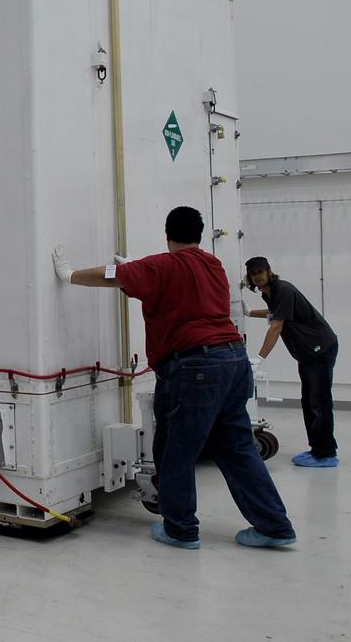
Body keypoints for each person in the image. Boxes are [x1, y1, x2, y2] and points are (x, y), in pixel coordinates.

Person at [52, 207, 295, 550]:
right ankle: (275, 526)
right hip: (232, 360)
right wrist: (139, 269)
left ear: (168, 235)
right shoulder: (212, 264)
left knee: (176, 451)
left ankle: (181, 529)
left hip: (195, 368)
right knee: (239, 449)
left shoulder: (159, 266)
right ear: (199, 234)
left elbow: (111, 275)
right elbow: (179, 291)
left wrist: (69, 274)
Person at [245, 256, 339, 468]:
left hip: (320, 349)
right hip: (307, 353)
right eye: (253, 274)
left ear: (269, 271)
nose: (257, 277)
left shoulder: (283, 289)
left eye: (260, 272)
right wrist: (249, 312)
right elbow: (275, 313)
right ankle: (318, 450)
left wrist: (260, 357)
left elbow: (277, 325)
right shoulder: (270, 293)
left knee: (319, 403)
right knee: (309, 402)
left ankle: (326, 454)